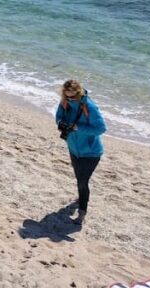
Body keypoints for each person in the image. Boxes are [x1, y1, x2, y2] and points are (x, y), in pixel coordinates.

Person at [55, 79, 106, 226]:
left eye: (73, 96)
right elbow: (59, 116)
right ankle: (80, 198)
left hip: (91, 152)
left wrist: (78, 128)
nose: (70, 98)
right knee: (80, 179)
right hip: (73, 149)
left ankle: (82, 213)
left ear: (79, 92)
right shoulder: (64, 102)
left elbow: (101, 129)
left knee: (82, 182)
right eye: (67, 95)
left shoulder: (89, 106)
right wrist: (60, 124)